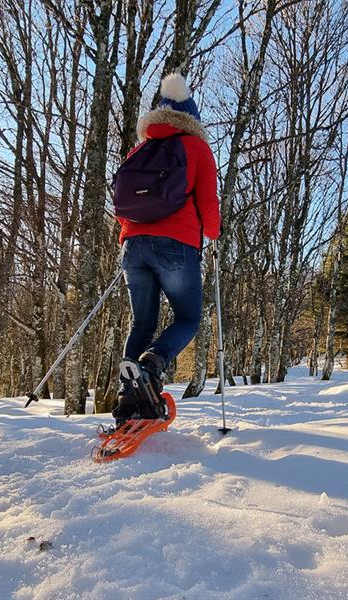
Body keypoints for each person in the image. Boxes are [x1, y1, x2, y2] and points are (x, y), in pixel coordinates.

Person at [112, 73, 221, 426]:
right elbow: (208, 202)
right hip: (178, 244)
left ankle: (129, 399)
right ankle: (154, 363)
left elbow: (123, 202)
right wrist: (214, 234)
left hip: (133, 246)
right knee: (188, 317)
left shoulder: (139, 149)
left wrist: (131, 237)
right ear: (192, 118)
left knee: (141, 322)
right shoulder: (196, 147)